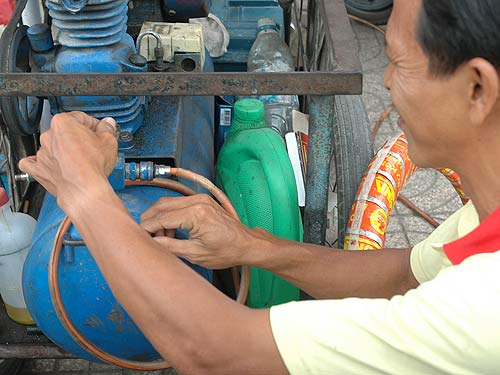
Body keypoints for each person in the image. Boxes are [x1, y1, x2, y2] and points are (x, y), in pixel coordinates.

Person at [18, 0, 500, 373]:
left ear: (477, 88)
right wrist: (250, 245)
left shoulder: (482, 308)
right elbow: (404, 276)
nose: (388, 83)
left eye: (399, 63)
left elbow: (214, 351)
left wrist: (84, 191)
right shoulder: (487, 214)